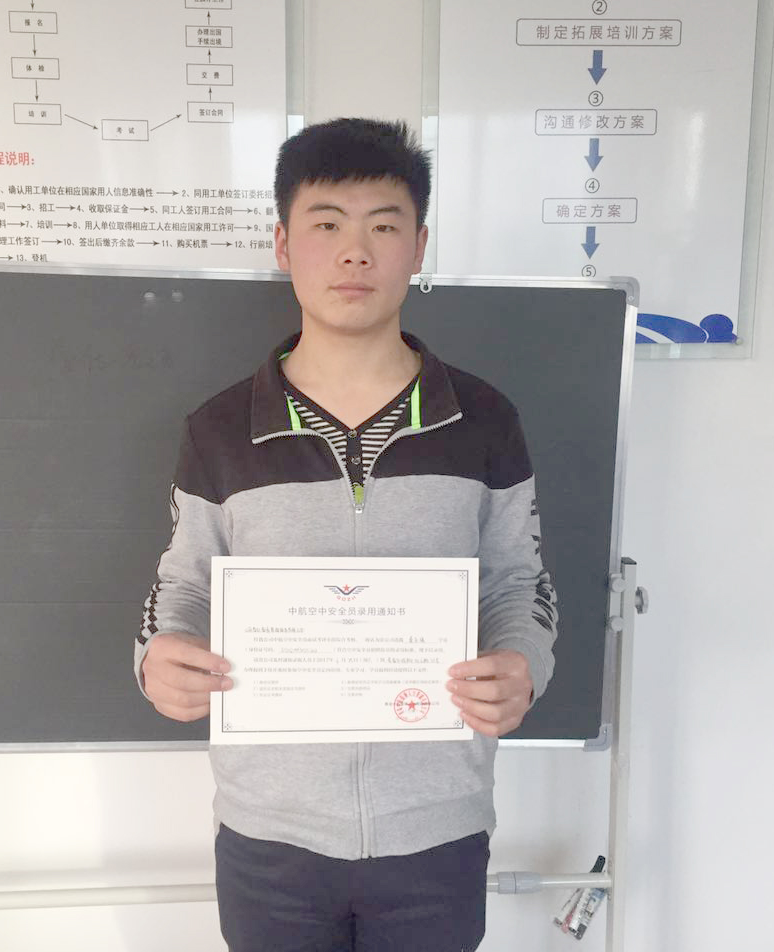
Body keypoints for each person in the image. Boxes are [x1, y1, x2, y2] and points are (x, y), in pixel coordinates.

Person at [134, 117, 557, 952]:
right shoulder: (219, 429)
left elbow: (519, 579)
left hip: (436, 830)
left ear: (419, 246)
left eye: (383, 227)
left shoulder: (485, 420)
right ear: (284, 245)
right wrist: (158, 654)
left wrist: (524, 665)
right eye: (326, 224)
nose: (355, 253)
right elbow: (184, 582)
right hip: (270, 836)